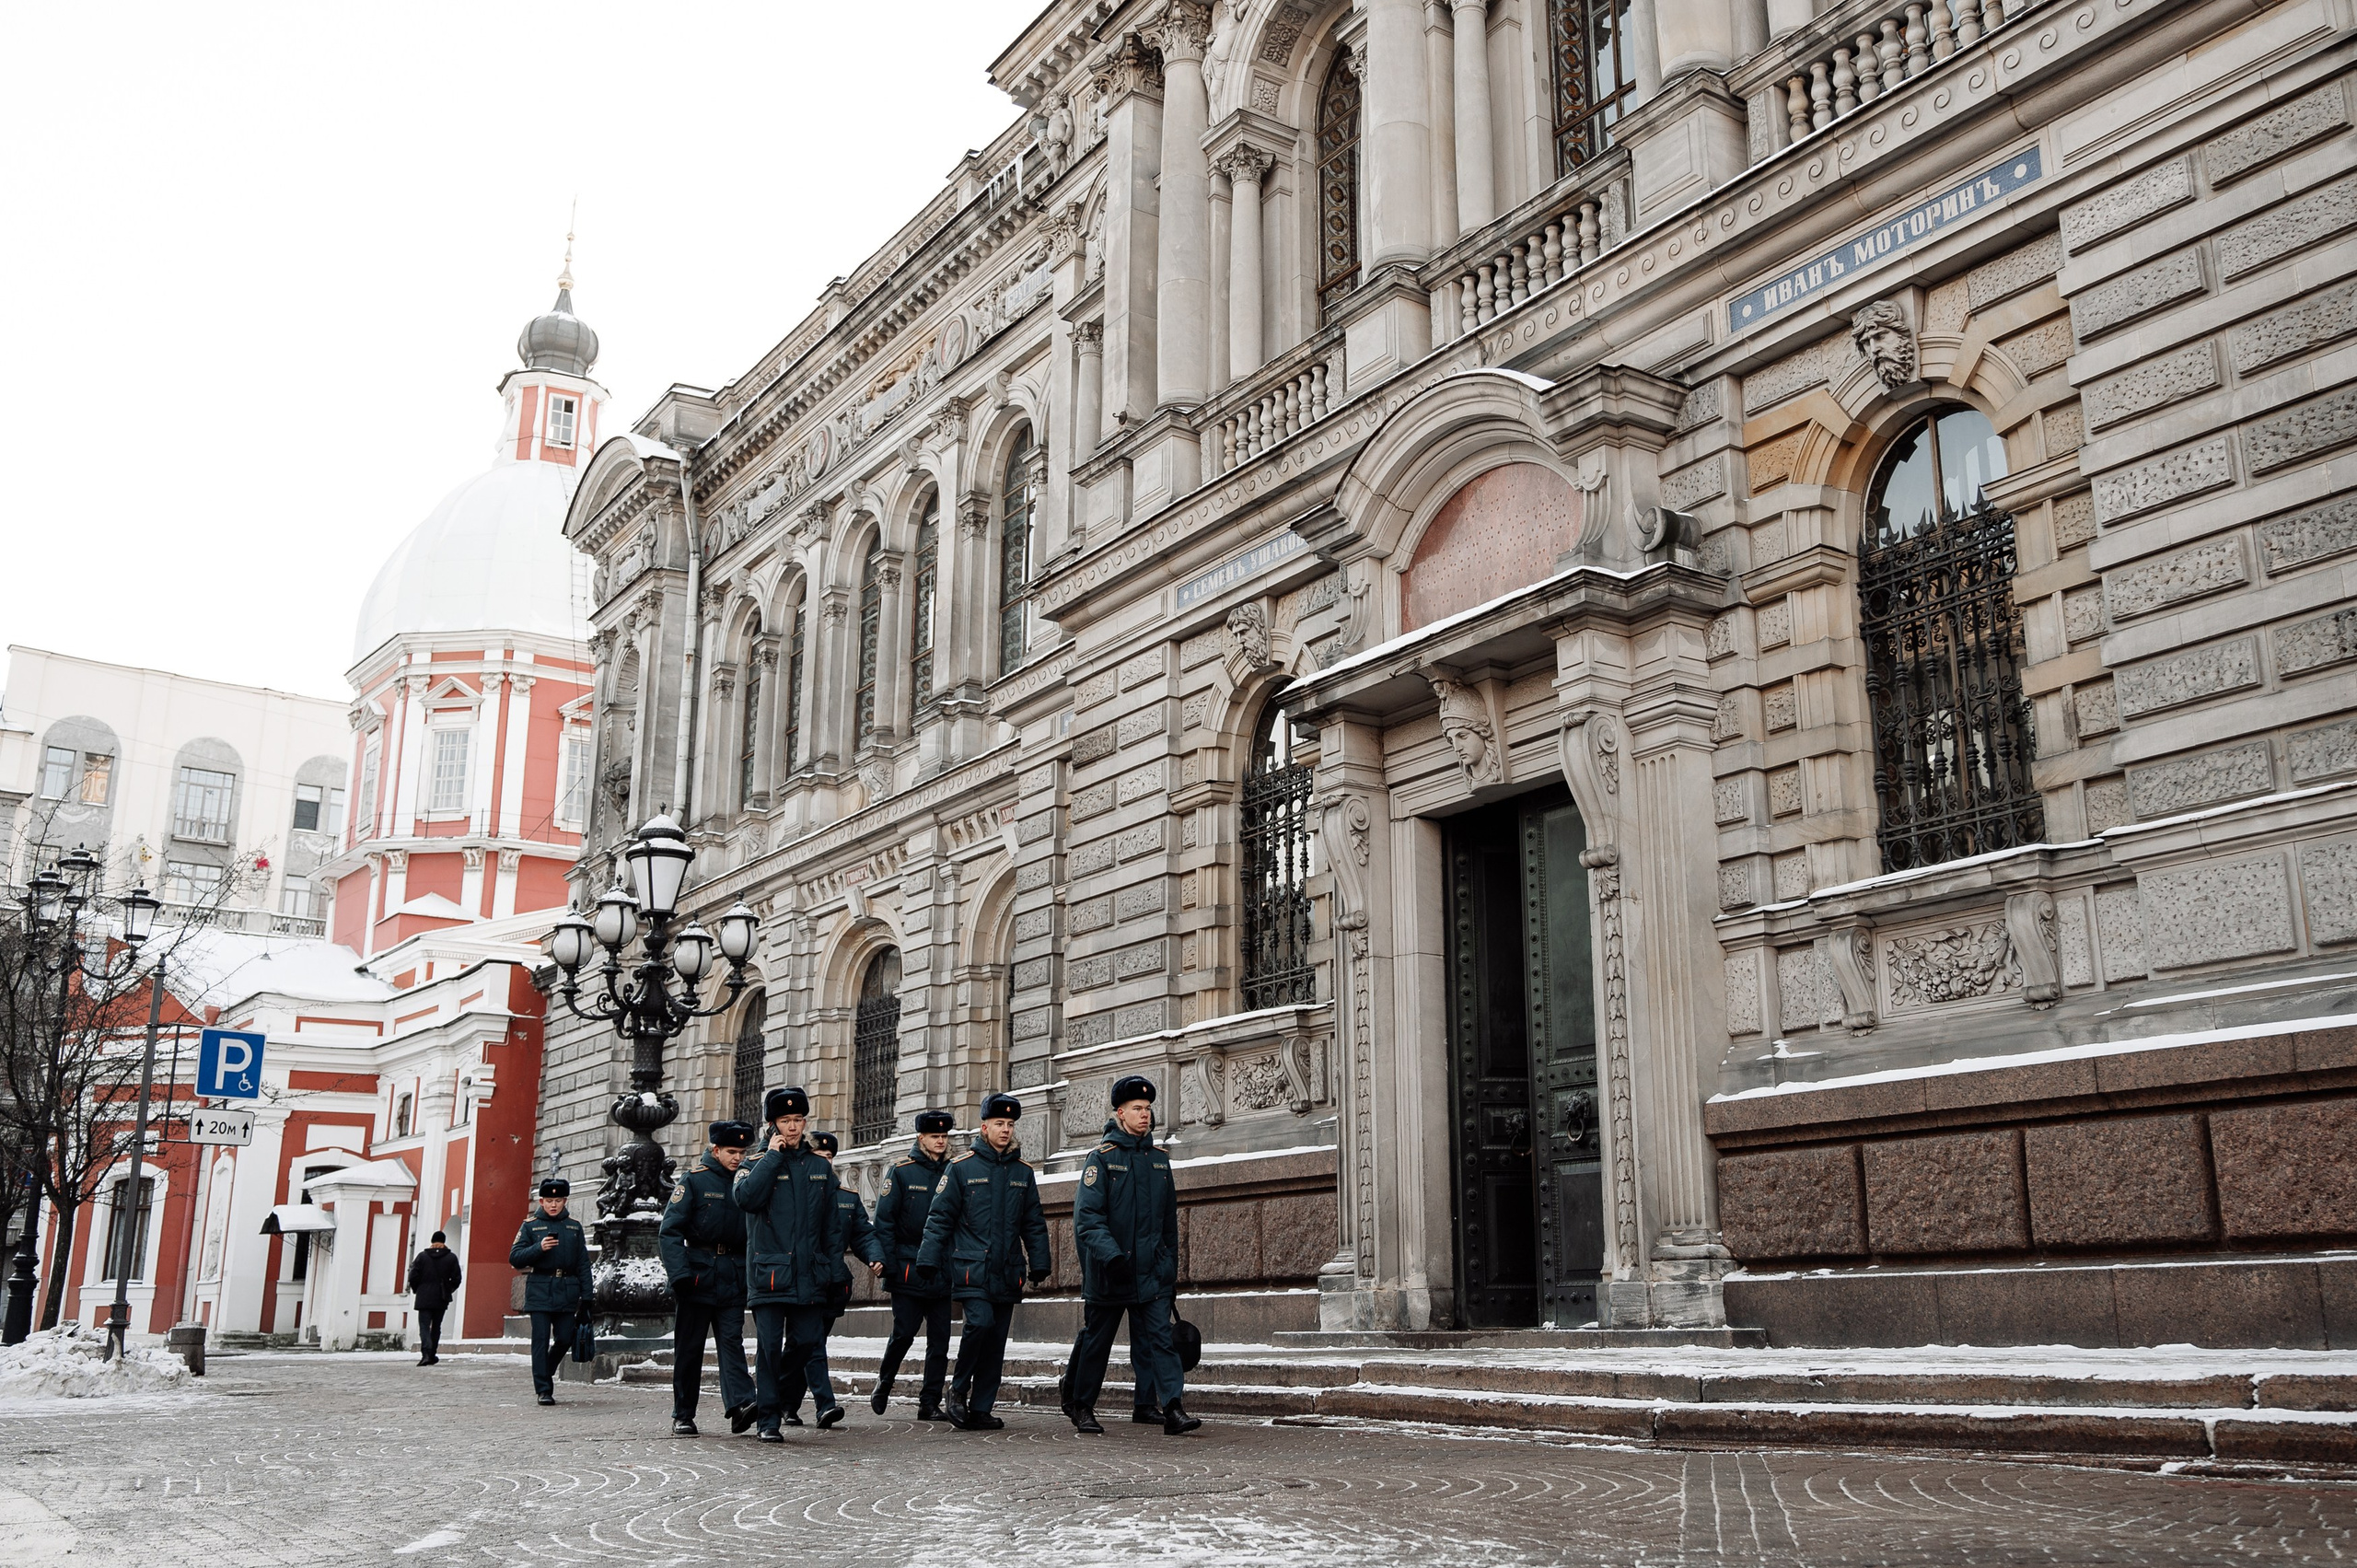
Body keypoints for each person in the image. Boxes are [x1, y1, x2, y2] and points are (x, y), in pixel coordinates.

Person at [1064, 1075, 1198, 1434]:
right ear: (1120, 1113)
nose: (1145, 1115)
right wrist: (1112, 1258)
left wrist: (1169, 1267)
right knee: (1097, 1343)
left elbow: (1168, 1223)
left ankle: (1170, 1407)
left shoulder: (1158, 1161)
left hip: (1150, 1273)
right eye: (1137, 1109)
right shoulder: (1101, 1160)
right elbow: (1088, 1219)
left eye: (1148, 1109)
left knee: (1159, 1341)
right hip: (1111, 1272)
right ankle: (1082, 1406)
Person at [913, 1091, 1051, 1431]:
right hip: (972, 1267)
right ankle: (957, 1390)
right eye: (999, 1123)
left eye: (1010, 1124)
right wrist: (928, 1260)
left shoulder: (1022, 1171)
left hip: (1008, 1269)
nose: (1005, 1130)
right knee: (980, 1324)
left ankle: (982, 1406)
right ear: (984, 1127)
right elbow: (940, 1218)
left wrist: (1041, 1261)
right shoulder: (961, 1169)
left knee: (997, 1339)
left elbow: (1032, 1221)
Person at [731, 1086, 845, 1442]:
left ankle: (775, 1398)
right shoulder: (754, 1165)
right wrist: (772, 1159)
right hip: (768, 1274)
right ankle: (768, 1420)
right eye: (785, 1121)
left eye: (797, 1120)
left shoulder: (818, 1167)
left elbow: (831, 1224)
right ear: (772, 1125)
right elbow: (746, 1199)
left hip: (809, 1273)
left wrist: (830, 1266)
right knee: (768, 1349)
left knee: (809, 1341)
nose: (793, 1127)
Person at [658, 1120, 757, 1437]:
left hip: (733, 1274)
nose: (737, 1158)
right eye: (731, 1151)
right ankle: (683, 1414)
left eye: (742, 1152)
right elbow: (670, 1231)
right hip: (697, 1276)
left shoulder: (747, 1182)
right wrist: (680, 1275)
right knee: (690, 1349)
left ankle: (741, 1405)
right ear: (715, 1150)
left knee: (732, 1342)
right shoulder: (694, 1181)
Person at [784, 1130, 883, 1428]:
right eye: (819, 1157)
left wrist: (876, 1256)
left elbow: (863, 1233)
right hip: (800, 1278)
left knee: (805, 1345)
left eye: (829, 1158)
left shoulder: (845, 1198)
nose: (825, 1163)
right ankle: (824, 1405)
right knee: (811, 1342)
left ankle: (786, 1403)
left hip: (832, 1282)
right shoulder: (794, 1192)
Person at [869, 1109, 956, 1421]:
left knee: (940, 1342)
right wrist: (888, 1268)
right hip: (908, 1268)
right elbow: (884, 1223)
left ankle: (929, 1402)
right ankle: (885, 1381)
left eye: (944, 1137)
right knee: (904, 1333)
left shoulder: (953, 1171)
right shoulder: (901, 1171)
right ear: (921, 1138)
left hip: (942, 1270)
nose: (941, 1142)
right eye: (935, 1136)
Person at [507, 1178, 591, 1406]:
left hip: (567, 1290)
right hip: (540, 1289)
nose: (553, 1205)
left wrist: (588, 1296)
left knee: (565, 1338)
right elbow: (514, 1257)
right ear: (541, 1201)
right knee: (540, 1340)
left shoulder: (574, 1227)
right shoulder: (530, 1225)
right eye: (549, 1200)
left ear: (565, 1201)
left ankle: (546, 1370)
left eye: (558, 1200)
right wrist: (538, 1248)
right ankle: (544, 1389)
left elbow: (583, 1263)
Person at [406, 1229, 462, 1365]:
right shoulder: (451, 1257)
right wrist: (448, 1289)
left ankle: (426, 1353)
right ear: (444, 1242)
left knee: (424, 1326)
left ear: (432, 1242)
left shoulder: (422, 1257)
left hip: (423, 1296)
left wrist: (417, 1289)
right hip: (441, 1297)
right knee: (436, 1326)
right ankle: (432, 1354)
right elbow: (457, 1278)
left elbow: (413, 1276)